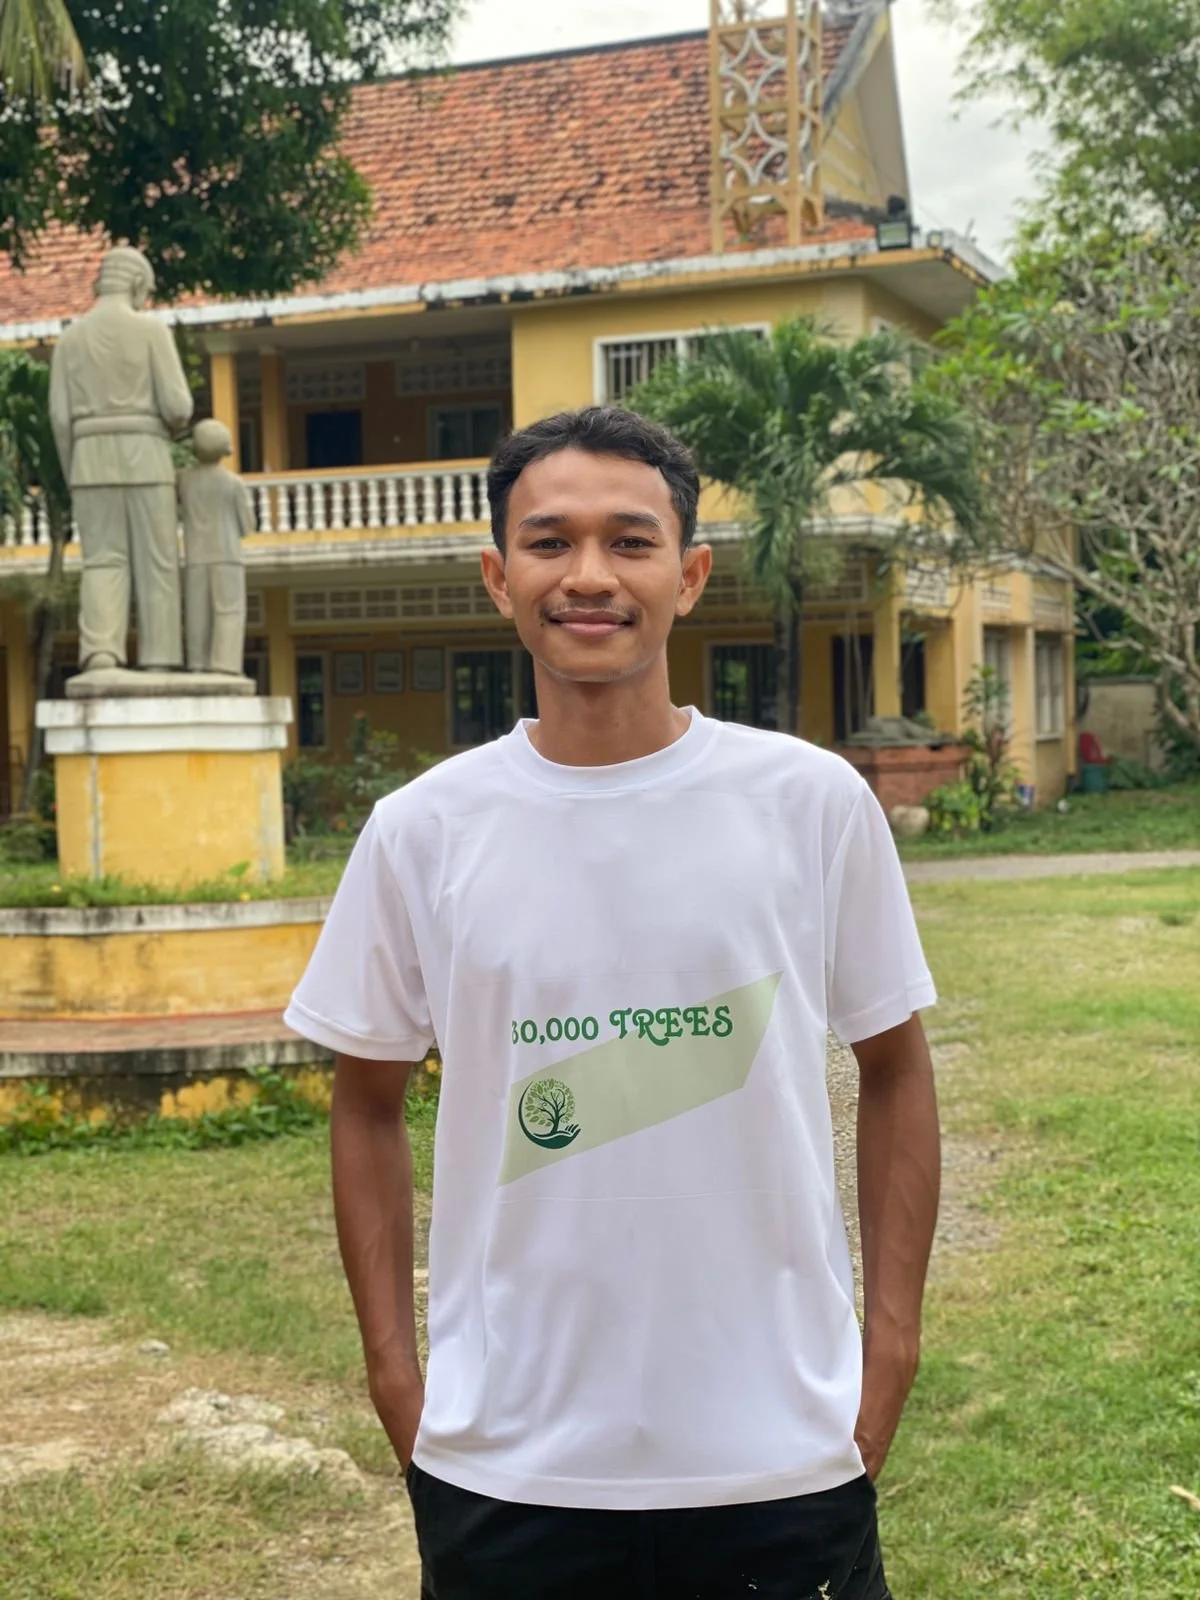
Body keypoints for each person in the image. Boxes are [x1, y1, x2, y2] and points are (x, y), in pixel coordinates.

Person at [285, 406, 940, 1600]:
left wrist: (888, 1343)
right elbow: (363, 1100)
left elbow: (895, 1065)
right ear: (498, 577)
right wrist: (397, 1372)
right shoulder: (423, 831)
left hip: (779, 1457)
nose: (590, 576)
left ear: (689, 575)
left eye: (630, 542)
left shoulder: (808, 803)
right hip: (509, 1470)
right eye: (550, 542)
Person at [48, 245, 194, 672]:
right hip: (145, 452)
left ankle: (101, 652)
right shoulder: (151, 332)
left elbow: (59, 417)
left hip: (89, 457)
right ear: (135, 284)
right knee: (157, 562)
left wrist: (72, 467)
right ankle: (160, 657)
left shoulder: (70, 338)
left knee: (102, 559)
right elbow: (178, 405)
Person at [178, 418, 252, 675]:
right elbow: (247, 525)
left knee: (197, 612)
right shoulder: (233, 483)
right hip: (227, 555)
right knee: (228, 610)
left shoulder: (183, 480)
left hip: (196, 555)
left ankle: (197, 663)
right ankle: (226, 664)